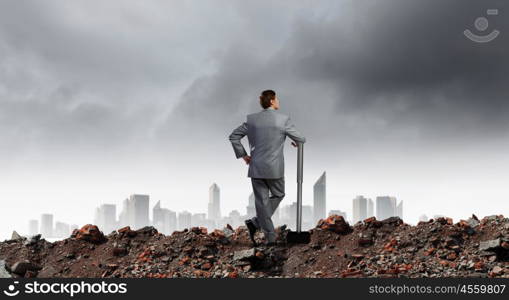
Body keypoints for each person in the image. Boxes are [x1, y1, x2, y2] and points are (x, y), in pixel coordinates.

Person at [229, 90, 306, 246]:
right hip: (274, 168)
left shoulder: (252, 120)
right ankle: (265, 233)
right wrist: (297, 142)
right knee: (278, 194)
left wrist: (243, 155)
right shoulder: (283, 120)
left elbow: (234, 136)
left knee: (262, 202)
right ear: (271, 101)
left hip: (256, 167)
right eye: (277, 99)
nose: (278, 101)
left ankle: (259, 226)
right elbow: (300, 138)